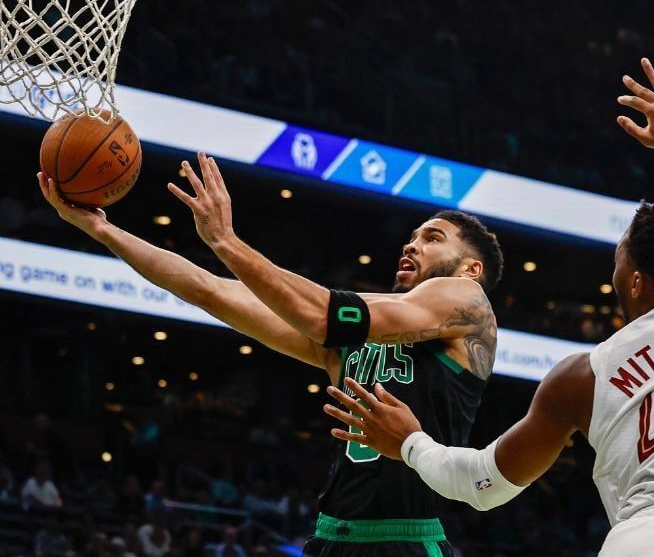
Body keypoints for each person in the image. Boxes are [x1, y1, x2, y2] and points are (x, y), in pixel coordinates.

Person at [324, 58, 654, 557]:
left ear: (635, 280)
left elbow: (484, 484)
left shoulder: (584, 374)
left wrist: (411, 443)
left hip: (638, 541)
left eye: (617, 260)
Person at [38, 155, 504, 556]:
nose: (412, 243)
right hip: (330, 536)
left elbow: (324, 313)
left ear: (471, 268)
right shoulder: (362, 336)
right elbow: (210, 290)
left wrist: (226, 240)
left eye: (432, 238)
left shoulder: (468, 302)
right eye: (413, 236)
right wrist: (101, 229)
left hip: (404, 539)